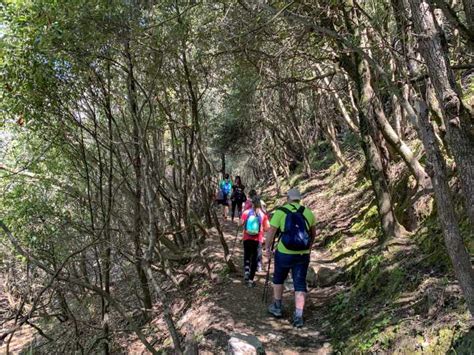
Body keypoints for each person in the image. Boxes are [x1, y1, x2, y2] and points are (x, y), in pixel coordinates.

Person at [265, 188, 316, 328]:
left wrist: (267, 249)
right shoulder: (308, 212)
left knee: (278, 278)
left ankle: (277, 306)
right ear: (299, 199)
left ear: (288, 198)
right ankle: (298, 316)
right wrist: (308, 248)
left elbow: (271, 233)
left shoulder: (281, 212)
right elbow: (313, 233)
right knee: (299, 283)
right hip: (302, 254)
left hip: (284, 252)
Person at [240, 196, 270, 288]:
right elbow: (267, 228)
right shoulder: (263, 214)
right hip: (257, 240)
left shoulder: (246, 212)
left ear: (252, 203)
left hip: (246, 238)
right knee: (254, 260)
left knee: (247, 256)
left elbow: (240, 223)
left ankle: (246, 272)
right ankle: (250, 281)